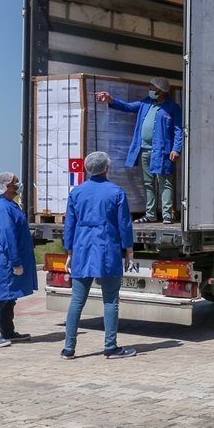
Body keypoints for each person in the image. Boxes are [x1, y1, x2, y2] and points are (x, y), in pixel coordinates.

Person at [61, 151, 137, 360]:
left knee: (77, 301)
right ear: (106, 168)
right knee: (110, 301)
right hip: (107, 249)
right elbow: (124, 225)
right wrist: (129, 251)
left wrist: (69, 251)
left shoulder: (77, 192)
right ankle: (110, 347)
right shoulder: (116, 192)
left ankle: (69, 348)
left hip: (82, 249)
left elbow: (69, 225)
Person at [93, 76, 182, 224]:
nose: (150, 89)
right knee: (148, 182)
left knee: (164, 182)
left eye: (152, 87)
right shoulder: (145, 103)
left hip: (162, 151)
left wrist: (176, 149)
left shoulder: (172, 107)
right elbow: (127, 106)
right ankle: (151, 214)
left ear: (160, 91)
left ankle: (167, 215)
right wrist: (111, 100)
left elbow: (179, 130)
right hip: (144, 150)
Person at [0, 172, 37, 348]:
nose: (18, 185)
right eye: (15, 183)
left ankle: (8, 331)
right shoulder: (3, 208)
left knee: (9, 297)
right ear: (6, 187)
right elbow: (7, 237)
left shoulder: (10, 205)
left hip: (9, 260)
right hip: (4, 261)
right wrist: (15, 261)